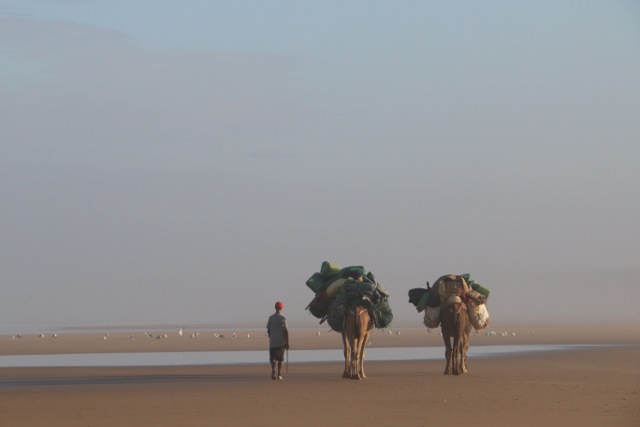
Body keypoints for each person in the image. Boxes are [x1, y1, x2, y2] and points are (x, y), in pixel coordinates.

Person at [266, 301, 289, 380]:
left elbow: (268, 330)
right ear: (281, 308)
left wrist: (271, 337)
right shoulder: (283, 318)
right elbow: (285, 331)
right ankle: (279, 374)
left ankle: (273, 369)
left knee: (273, 358)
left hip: (273, 341)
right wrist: (287, 342)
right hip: (281, 341)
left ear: (275, 307)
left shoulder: (271, 318)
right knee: (280, 359)